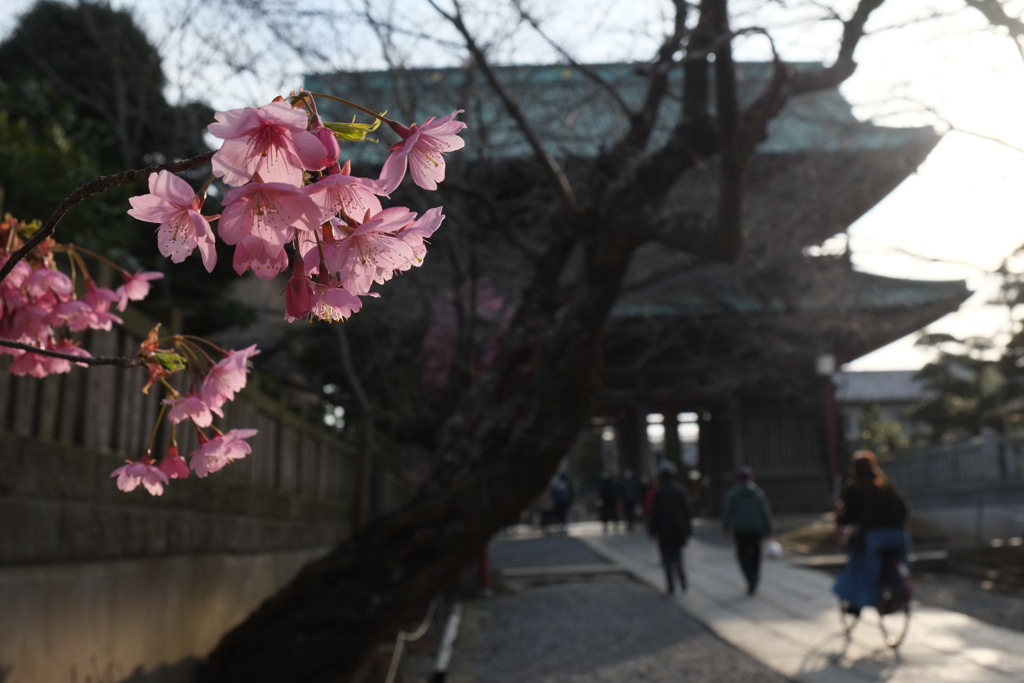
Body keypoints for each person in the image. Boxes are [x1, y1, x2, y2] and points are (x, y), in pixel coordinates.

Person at [832, 450, 911, 616]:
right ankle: (901, 593)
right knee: (902, 565)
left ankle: (863, 602)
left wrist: (839, 516)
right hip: (899, 535)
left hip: (874, 537)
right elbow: (904, 509)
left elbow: (849, 518)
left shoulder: (854, 488)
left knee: (860, 567)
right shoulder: (885, 485)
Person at [722, 466, 774, 595]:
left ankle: (749, 577)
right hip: (756, 529)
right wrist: (769, 529)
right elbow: (765, 512)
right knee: (756, 555)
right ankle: (755, 578)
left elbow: (728, 512)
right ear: (751, 478)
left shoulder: (733, 493)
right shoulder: (757, 492)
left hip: (741, 529)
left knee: (742, 555)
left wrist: (726, 528)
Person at [647, 461, 693, 594]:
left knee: (666, 559)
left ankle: (670, 585)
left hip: (664, 531)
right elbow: (687, 513)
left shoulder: (658, 493)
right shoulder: (680, 491)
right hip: (678, 530)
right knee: (678, 557)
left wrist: (652, 531)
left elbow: (654, 514)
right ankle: (682, 579)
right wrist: (688, 530)